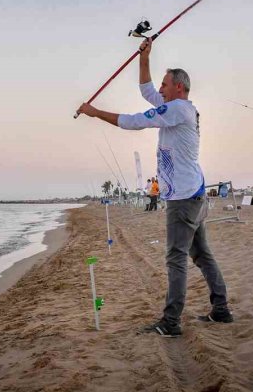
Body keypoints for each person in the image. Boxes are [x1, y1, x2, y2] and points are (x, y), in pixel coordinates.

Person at [77, 37, 232, 337]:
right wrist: (144, 56)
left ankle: (171, 323)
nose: (159, 89)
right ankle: (221, 309)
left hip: (184, 199)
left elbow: (134, 121)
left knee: (176, 259)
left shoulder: (179, 110)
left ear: (179, 88)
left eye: (165, 84)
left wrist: (96, 113)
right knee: (201, 255)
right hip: (194, 195)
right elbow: (146, 90)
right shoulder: (175, 106)